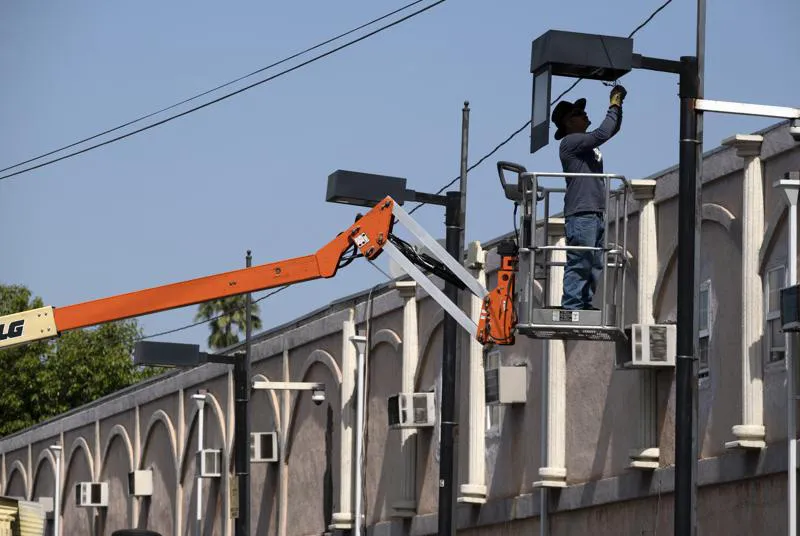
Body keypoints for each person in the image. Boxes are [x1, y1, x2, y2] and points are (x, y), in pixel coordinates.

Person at [550, 84, 627, 310]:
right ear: (567, 123)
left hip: (594, 211)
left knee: (594, 262)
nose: (584, 114)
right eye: (577, 113)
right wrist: (613, 106)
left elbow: (609, 131)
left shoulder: (584, 143)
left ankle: (582, 303)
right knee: (581, 260)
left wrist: (618, 109)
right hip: (582, 212)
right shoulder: (571, 142)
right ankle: (573, 305)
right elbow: (604, 132)